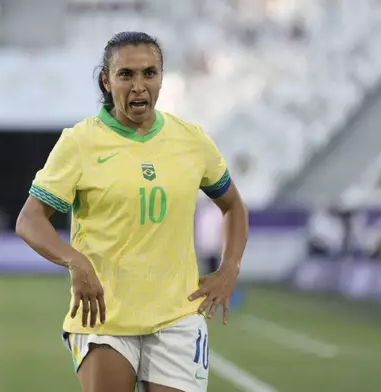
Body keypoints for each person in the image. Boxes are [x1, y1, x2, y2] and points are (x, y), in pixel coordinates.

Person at [15, 31, 249, 392]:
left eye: (149, 73)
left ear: (161, 77)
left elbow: (232, 205)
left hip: (178, 316)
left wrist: (229, 269)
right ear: (107, 81)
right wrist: (76, 262)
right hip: (104, 317)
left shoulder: (192, 140)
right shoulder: (79, 143)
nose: (139, 86)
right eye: (126, 75)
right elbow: (30, 220)